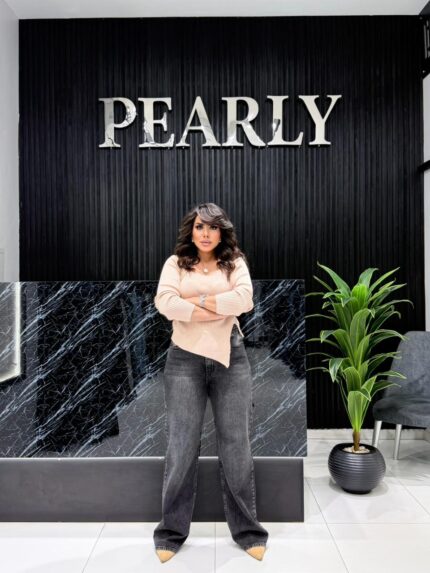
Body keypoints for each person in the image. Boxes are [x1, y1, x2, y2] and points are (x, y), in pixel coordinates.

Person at [152, 202, 269, 563]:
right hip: (183, 360)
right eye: (200, 227)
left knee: (236, 445)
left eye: (213, 227)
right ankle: (171, 532)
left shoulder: (235, 263)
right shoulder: (175, 264)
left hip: (231, 358)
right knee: (181, 446)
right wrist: (219, 305)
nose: (205, 234)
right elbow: (164, 303)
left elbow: (244, 300)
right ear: (191, 230)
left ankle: (248, 531)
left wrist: (195, 300)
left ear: (222, 232)